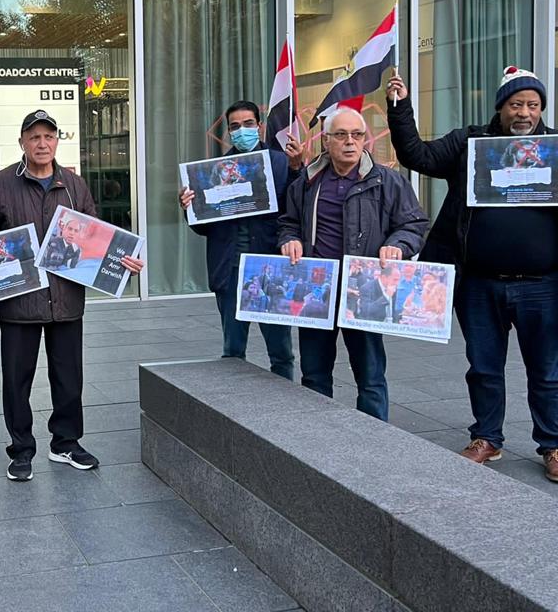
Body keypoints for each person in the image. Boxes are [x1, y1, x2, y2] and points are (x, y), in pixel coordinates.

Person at [0, 109, 144, 481]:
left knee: (69, 378)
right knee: (17, 381)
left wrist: (123, 261)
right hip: (19, 302)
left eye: (49, 136)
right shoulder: (1, 184)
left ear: (57, 141)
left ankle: (66, 443)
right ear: (22, 142)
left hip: (66, 300)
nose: (42, 143)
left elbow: (98, 236)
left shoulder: (74, 185)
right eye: (34, 137)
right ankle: (21, 450)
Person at [386, 67, 558, 482]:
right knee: (483, 367)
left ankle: (553, 444)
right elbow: (418, 156)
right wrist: (400, 108)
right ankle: (486, 438)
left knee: (548, 372)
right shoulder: (469, 142)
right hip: (479, 283)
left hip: (543, 286)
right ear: (500, 107)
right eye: (515, 104)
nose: (524, 113)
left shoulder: (554, 148)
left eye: (532, 105)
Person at [279, 107, 428, 420]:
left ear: (365, 140)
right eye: (341, 135)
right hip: (318, 291)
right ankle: (318, 436)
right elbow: (288, 222)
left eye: (357, 135)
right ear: (327, 141)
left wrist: (397, 245)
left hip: (365, 291)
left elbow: (413, 224)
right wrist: (289, 239)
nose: (350, 141)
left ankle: (373, 439)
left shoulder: (387, 181)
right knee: (314, 375)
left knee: (370, 376)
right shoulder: (308, 181)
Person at [178, 101, 301, 380]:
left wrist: (297, 169)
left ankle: (287, 400)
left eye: (248, 124)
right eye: (235, 127)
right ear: (229, 132)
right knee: (233, 351)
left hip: (270, 267)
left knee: (281, 351)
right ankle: (233, 403)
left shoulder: (280, 163)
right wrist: (189, 208)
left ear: (259, 126)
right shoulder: (213, 171)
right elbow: (204, 228)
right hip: (230, 268)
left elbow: (296, 210)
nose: (241, 130)